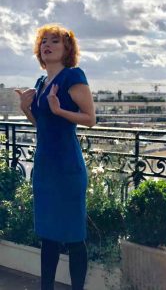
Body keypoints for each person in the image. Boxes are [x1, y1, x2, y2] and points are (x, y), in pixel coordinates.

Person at [15, 23, 96, 290]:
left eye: (55, 41)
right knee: (48, 237)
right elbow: (42, 124)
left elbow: (90, 119)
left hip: (67, 167)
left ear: (66, 49)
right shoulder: (41, 83)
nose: (47, 45)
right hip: (45, 168)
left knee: (74, 237)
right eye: (43, 42)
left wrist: (61, 111)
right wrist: (27, 109)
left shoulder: (73, 76)